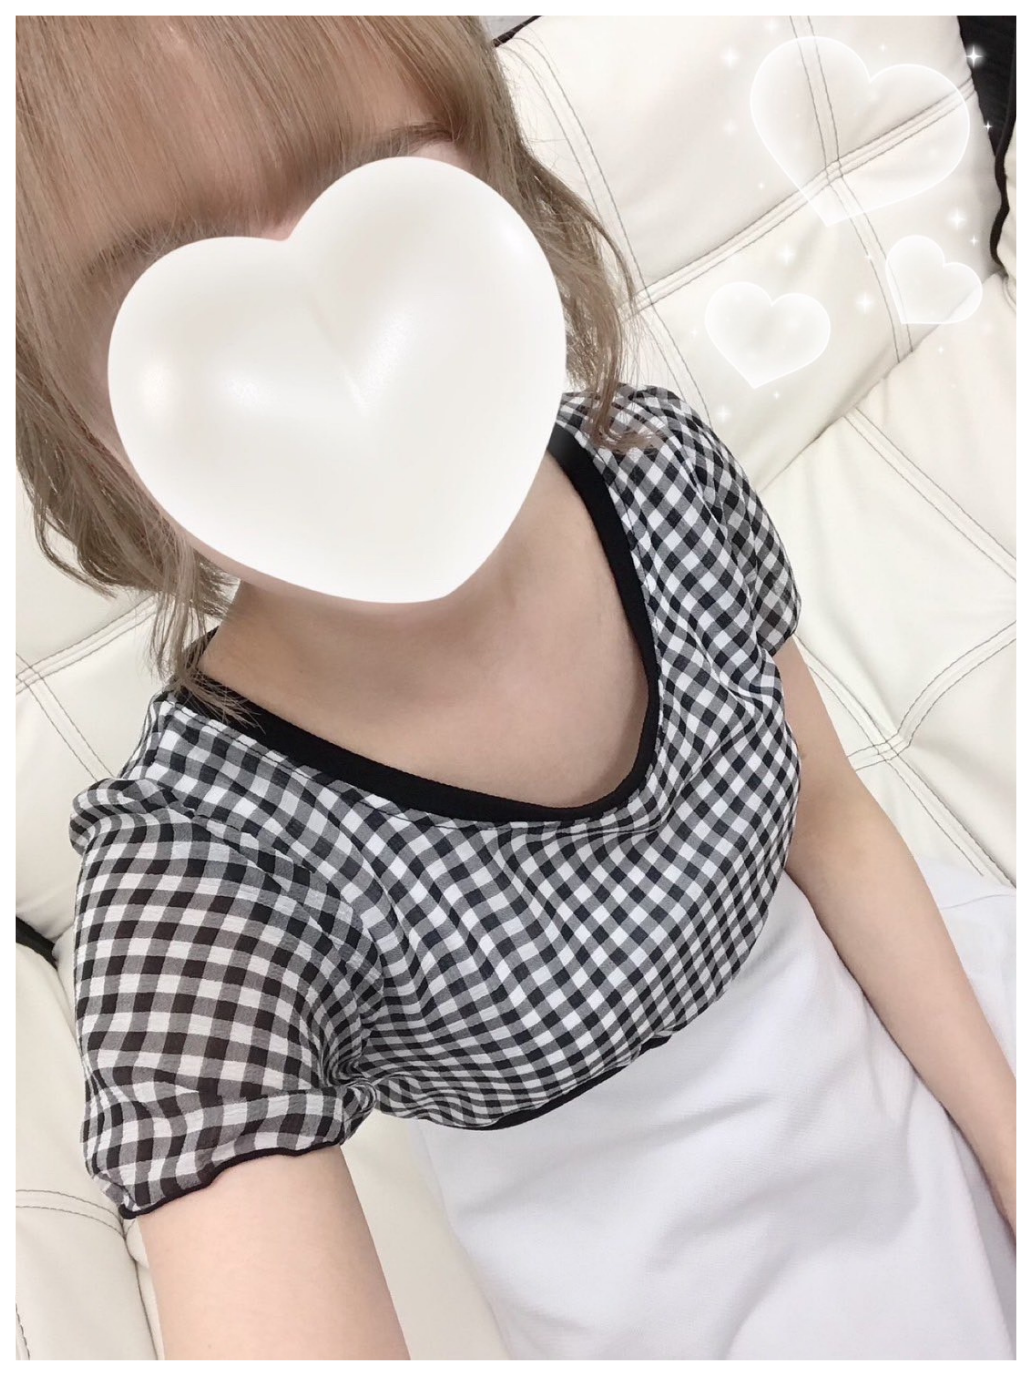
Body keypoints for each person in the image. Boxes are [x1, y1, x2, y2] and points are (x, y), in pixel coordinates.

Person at [17, 15, 1016, 1362]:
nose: (334, 358)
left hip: (894, 1003)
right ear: (81, 419)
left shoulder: (660, 476)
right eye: (177, 294)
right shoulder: (204, 874)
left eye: (384, 193)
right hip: (652, 1269)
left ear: (493, 183)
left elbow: (830, 822)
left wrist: (1009, 1150)